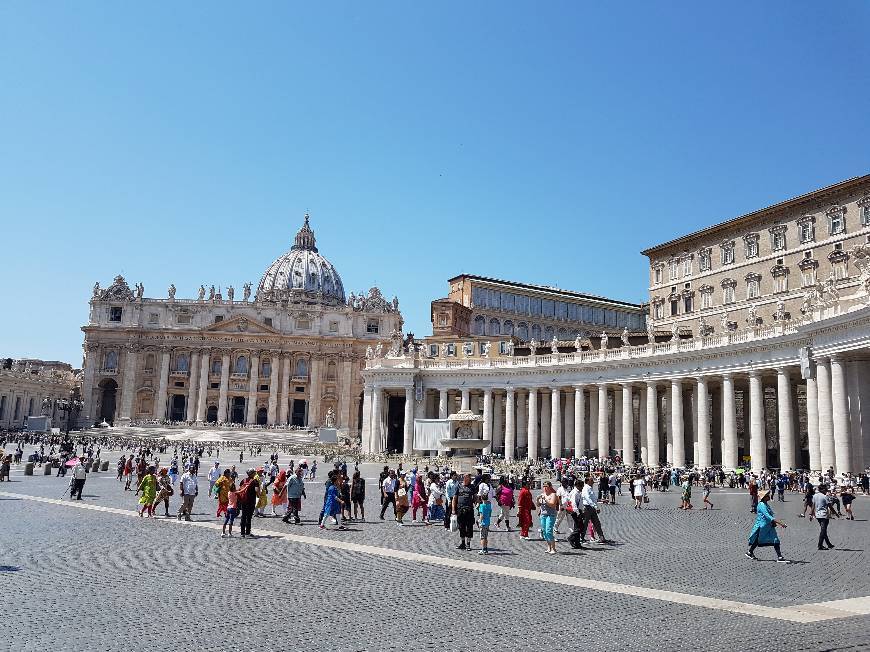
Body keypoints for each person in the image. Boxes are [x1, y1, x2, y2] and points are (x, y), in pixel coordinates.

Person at [745, 489, 790, 563]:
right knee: (758, 540)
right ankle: (750, 552)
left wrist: (774, 523)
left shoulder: (765, 504)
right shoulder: (762, 505)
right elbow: (768, 516)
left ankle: (780, 557)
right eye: (767, 496)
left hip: (769, 526)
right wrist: (780, 523)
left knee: (775, 540)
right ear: (764, 497)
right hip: (762, 526)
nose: (769, 496)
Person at [580, 475, 608, 544]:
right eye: (591, 480)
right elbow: (588, 498)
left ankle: (602, 537)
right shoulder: (586, 488)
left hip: (592, 507)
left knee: (597, 523)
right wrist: (595, 506)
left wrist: (601, 500)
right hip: (587, 507)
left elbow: (593, 498)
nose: (593, 482)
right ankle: (581, 538)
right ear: (587, 481)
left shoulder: (590, 488)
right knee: (585, 524)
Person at [453, 474, 476, 550]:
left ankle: (468, 544)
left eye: (470, 479)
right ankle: (462, 543)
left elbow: (475, 498)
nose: (469, 480)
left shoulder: (472, 487)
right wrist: (453, 509)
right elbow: (454, 499)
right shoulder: (458, 486)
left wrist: (477, 502)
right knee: (461, 527)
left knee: (469, 527)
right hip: (460, 509)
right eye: (468, 478)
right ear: (464, 479)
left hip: (469, 509)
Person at [238, 469, 261, 538]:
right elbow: (257, 491)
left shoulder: (243, 480)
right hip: (251, 501)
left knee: (243, 516)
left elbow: (240, 489)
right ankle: (247, 532)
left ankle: (242, 533)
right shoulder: (255, 481)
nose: (255, 473)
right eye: (254, 472)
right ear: (252, 474)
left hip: (243, 501)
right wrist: (258, 495)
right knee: (249, 517)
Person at [538, 481, 559, 554]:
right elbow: (538, 505)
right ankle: (549, 547)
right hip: (543, 514)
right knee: (544, 531)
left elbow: (553, 505)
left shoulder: (553, 495)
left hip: (551, 515)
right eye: (544, 486)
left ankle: (553, 548)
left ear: (550, 487)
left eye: (546, 486)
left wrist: (546, 500)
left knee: (549, 531)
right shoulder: (542, 494)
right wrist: (538, 499)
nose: (545, 488)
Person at [813, 485, 835, 550]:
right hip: (824, 515)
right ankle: (820, 545)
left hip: (817, 515)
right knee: (823, 530)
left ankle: (829, 544)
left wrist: (811, 514)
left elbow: (813, 506)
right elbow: (830, 506)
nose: (826, 491)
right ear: (822, 490)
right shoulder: (825, 497)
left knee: (823, 530)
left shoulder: (815, 496)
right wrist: (836, 513)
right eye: (825, 490)